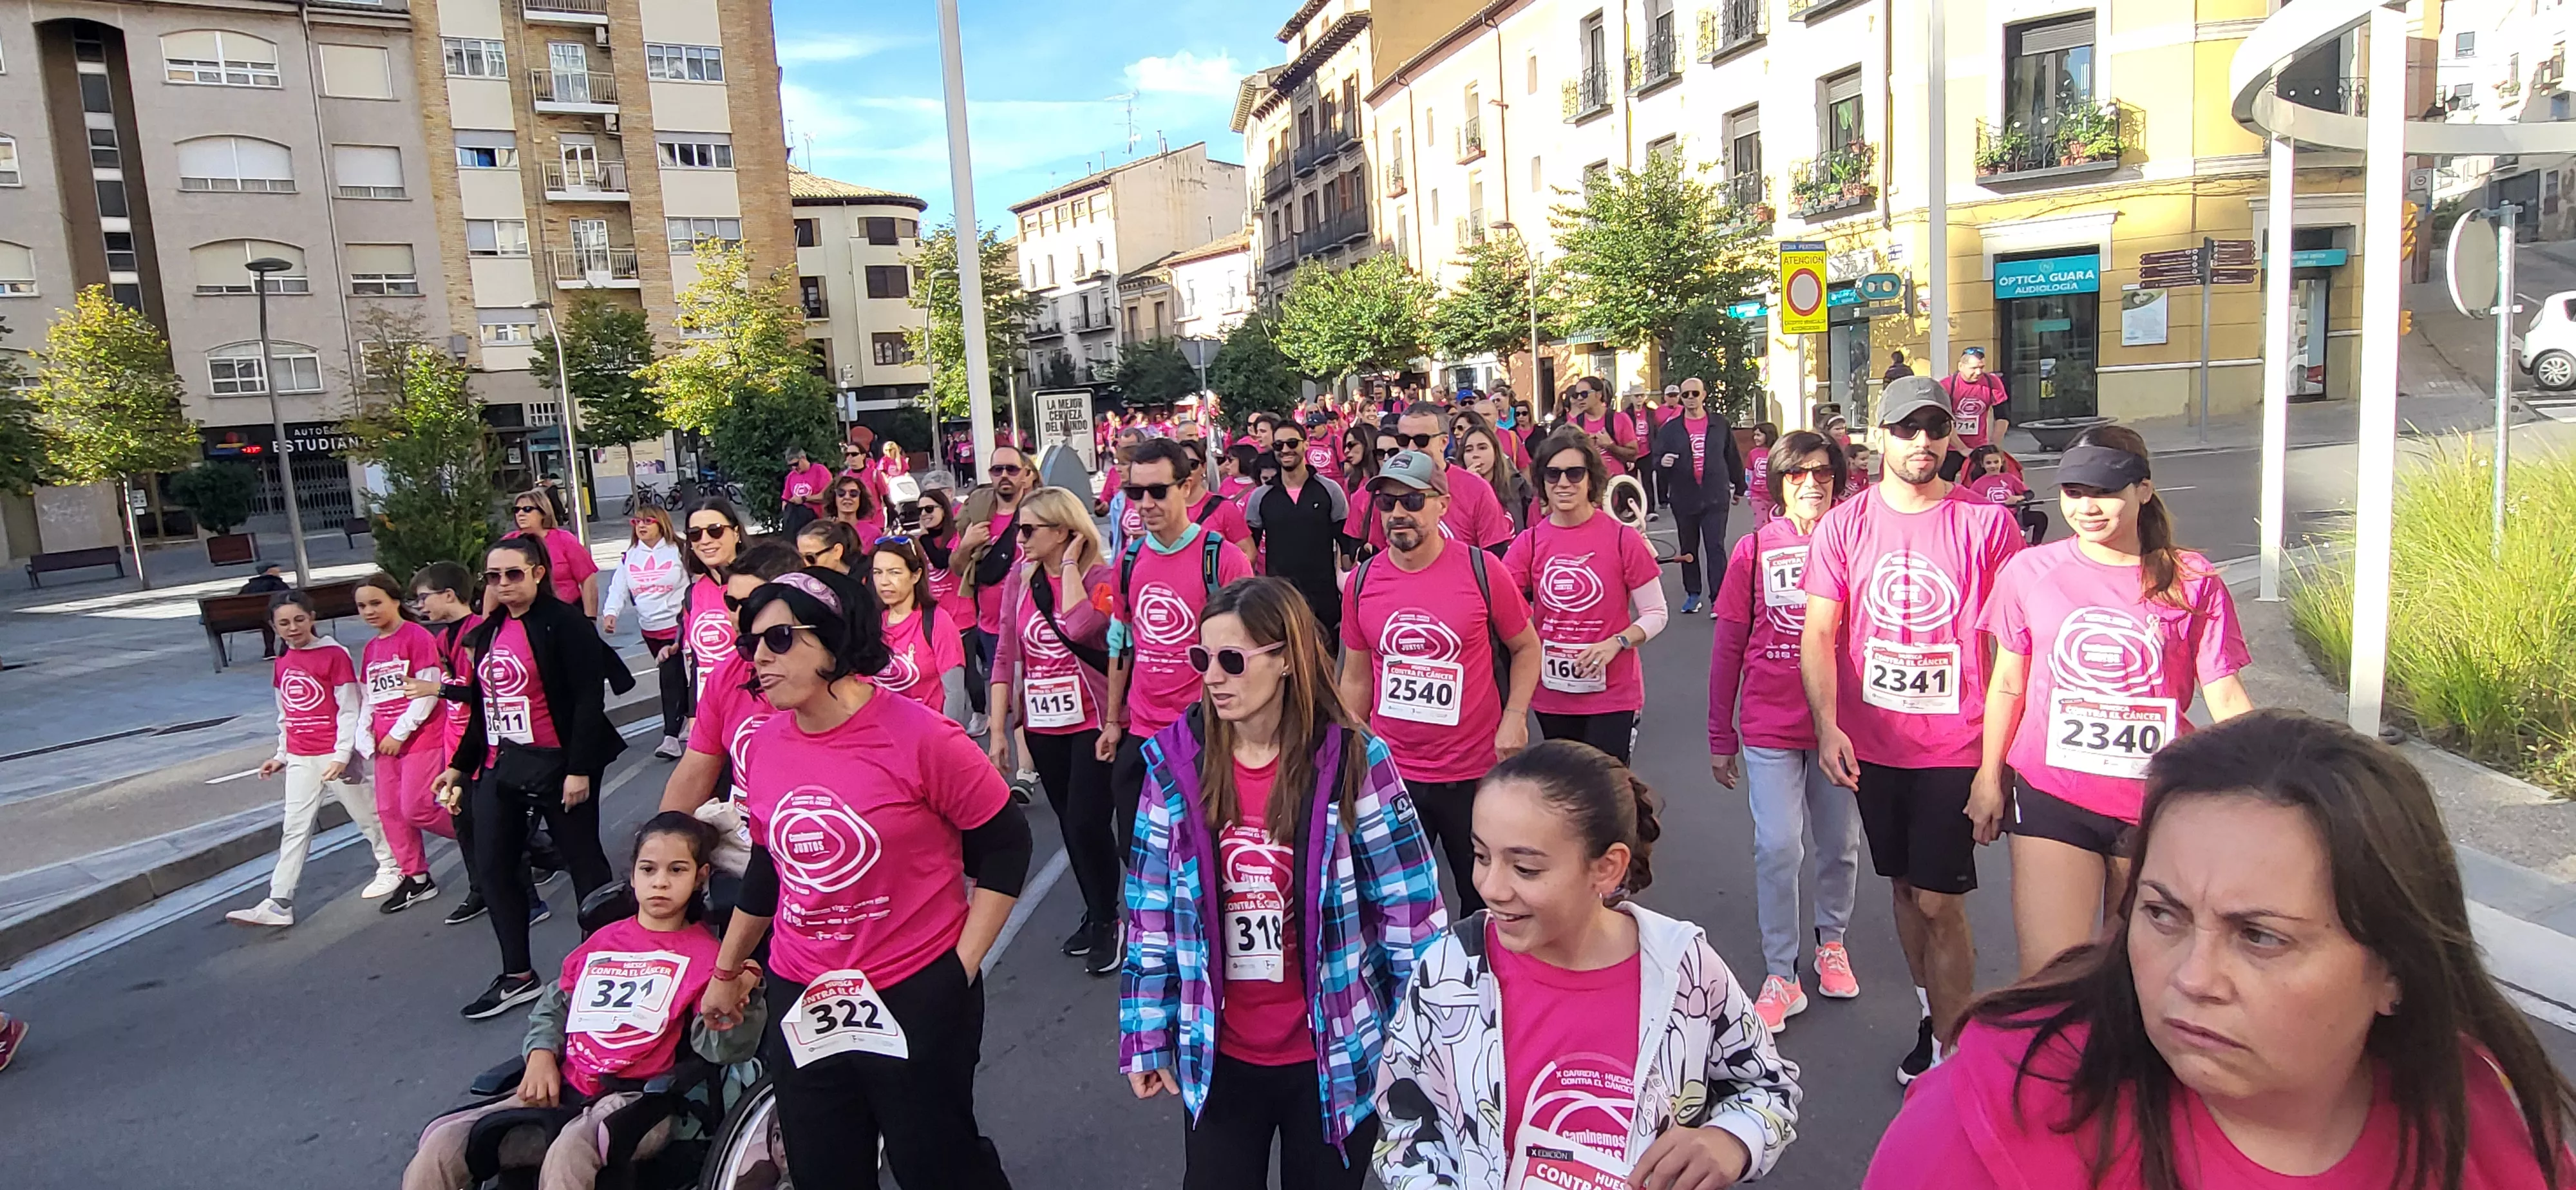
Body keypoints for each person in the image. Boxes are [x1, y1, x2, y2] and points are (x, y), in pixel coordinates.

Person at [1866, 710, 2576, 1190]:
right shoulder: (1995, 1111)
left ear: (2394, 966)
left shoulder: (2485, 1122)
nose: (2194, 979)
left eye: (2260, 937)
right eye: (2162, 914)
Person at [695, 567, 1032, 1190]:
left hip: (914, 987)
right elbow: (772, 867)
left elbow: (1007, 846)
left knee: (936, 1166)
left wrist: (955, 970)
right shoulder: (765, 745)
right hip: (805, 992)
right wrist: (726, 972)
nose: (758, 660)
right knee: (825, 1171)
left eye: (778, 640)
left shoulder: (923, 737)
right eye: (749, 646)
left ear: (833, 636)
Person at [1123, 576, 1446, 1189]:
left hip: (1335, 1056)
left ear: (1287, 662)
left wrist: (1424, 1048)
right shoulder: (1175, 763)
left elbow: (1411, 911)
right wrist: (1146, 1031)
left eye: (1232, 660)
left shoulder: (1357, 760)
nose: (1212, 677)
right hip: (1219, 1055)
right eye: (1203, 659)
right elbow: (1151, 911)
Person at [1373, 741, 1802, 1189]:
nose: (1492, 887)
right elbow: (1405, 1123)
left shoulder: (1684, 970)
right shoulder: (1449, 970)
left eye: (1525, 869)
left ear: (1607, 868)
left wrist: (1733, 1140)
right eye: (1481, 857)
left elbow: (1768, 1086)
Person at [1799, 375, 2026, 1085]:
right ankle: (1936, 1018)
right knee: (1901, 887)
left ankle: (1960, 1048)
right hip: (1875, 743)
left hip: (1955, 742)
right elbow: (1818, 633)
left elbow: (2013, 650)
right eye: (1906, 429)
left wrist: (1996, 763)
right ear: (1880, 436)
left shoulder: (1987, 525)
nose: (1921, 441)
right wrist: (1828, 725)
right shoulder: (1844, 525)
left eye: (1933, 428)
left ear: (1950, 435)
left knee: (1938, 897)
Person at [1976, 428, 2253, 978]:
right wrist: (1989, 778)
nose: (2087, 507)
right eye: (2074, 492)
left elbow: (2223, 693)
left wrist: (2273, 787)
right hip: (2052, 794)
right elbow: (2008, 681)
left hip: (2153, 805)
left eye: (2104, 491)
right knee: (2052, 975)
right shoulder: (2030, 572)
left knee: (2137, 977)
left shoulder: (2192, 580)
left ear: (2143, 490)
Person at [402, 813, 764, 1190]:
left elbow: (721, 1051)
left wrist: (741, 1000)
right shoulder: (603, 942)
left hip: (639, 1101)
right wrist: (540, 1054)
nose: (660, 882)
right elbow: (555, 1005)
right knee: (442, 1144)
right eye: (649, 869)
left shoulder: (708, 958)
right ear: (634, 874)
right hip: (565, 1083)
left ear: (699, 877)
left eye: (676, 870)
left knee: (568, 1156)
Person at [1709, 430, 1866, 1032]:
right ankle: (1781, 971)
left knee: (1840, 845)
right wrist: (1720, 737)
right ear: (1778, 483)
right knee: (1778, 846)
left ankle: (1833, 941)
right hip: (1770, 725)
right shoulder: (1754, 551)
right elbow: (1727, 647)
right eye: (1797, 475)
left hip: (1841, 728)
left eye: (1822, 473)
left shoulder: (1857, 543)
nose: (1810, 485)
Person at [1338, 451, 1540, 916]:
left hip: (1473, 772)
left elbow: (1527, 648)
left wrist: (1514, 719)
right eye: (1388, 504)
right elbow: (1356, 676)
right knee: (1395, 901)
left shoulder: (1481, 570)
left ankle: (1484, 982)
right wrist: (1349, 745)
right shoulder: (1362, 582)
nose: (1398, 514)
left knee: (1485, 899)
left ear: (1442, 505)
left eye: (1412, 500)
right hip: (1393, 773)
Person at [435, 534, 627, 1020]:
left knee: (584, 861)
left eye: (513, 575)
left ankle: (604, 959)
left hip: (560, 763)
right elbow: (486, 706)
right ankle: (517, 973)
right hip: (502, 763)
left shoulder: (562, 625)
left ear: (539, 573)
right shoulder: (491, 631)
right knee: (495, 864)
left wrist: (579, 769)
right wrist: (459, 766)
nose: (503, 585)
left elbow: (588, 700)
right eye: (494, 577)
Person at [1101, 438, 1258, 853]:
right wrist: (1113, 720)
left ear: (1186, 488)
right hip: (1143, 728)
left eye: (1158, 491)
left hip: (1206, 728)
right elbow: (1122, 641)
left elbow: (1250, 651)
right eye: (1135, 493)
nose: (1145, 503)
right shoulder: (1129, 560)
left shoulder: (1222, 559)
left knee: (1203, 851)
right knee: (1136, 851)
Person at [987, 487, 1121, 973]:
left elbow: (1085, 628)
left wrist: (1067, 569)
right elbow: (1005, 655)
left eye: (1028, 530)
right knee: (1069, 823)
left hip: (1093, 719)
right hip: (1043, 722)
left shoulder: (1102, 578)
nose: (1018, 539)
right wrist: (1000, 730)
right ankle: (1096, 909)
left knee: (1088, 820)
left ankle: (1109, 918)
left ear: (1064, 531)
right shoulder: (1018, 583)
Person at [225, 592, 402, 928]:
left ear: (312, 619)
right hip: (300, 757)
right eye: (284, 623)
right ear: (273, 627)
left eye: (299, 620)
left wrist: (341, 755)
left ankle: (393, 866)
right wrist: (281, 755)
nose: (293, 629)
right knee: (294, 827)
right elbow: (285, 714)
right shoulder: (282, 663)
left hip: (334, 754)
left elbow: (350, 707)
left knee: (367, 816)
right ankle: (279, 901)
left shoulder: (334, 655)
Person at [653, 542, 802, 916]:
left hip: (816, 851)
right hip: (745, 850)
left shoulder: (835, 676)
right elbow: (695, 770)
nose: (736, 616)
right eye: (731, 603)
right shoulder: (727, 675)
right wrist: (661, 849)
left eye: (749, 603)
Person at [1504, 430, 1665, 764]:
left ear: (1591, 480)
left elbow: (1656, 613)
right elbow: (1502, 609)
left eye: (1574, 473)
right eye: (1553, 473)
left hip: (1613, 694)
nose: (1564, 483)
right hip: (1552, 692)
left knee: (1609, 791)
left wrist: (1616, 643)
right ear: (1542, 482)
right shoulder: (1529, 543)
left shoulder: (1622, 539)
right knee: (1566, 796)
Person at [355, 572, 450, 913]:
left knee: (419, 807)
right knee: (390, 812)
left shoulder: (416, 637)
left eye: (376, 603)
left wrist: (400, 731)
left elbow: (428, 690)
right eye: (362, 606)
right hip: (385, 744)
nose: (369, 611)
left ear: (396, 601)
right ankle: (417, 878)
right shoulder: (371, 648)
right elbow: (369, 695)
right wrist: (364, 732)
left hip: (420, 738)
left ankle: (485, 839)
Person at [1349, 404, 1513, 555]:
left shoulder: (1476, 488)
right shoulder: (1387, 487)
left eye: (1422, 440)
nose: (1412, 448)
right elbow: (1381, 551)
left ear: (1444, 442)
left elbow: (1494, 556)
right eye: (1404, 441)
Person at [1652, 377, 1749, 616]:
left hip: (1715, 495)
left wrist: (1739, 487)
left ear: (1704, 395)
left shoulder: (1719, 424)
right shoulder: (1671, 429)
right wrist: (1662, 466)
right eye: (1686, 395)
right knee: (1688, 548)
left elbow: (1732, 456)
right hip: (1684, 497)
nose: (1691, 399)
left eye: (1695, 394)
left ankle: (1719, 597)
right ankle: (1693, 594)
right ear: (1681, 399)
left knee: (1715, 546)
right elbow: (1657, 459)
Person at [1245, 420, 1351, 633]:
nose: (1285, 450)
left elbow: (1346, 543)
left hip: (1324, 599)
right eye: (1279, 445)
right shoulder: (1261, 497)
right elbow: (1249, 551)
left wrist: (1348, 593)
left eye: (1292, 443)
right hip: (1280, 599)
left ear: (1306, 445)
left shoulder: (1330, 490)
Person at [955, 445, 1032, 733]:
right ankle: (1012, 756)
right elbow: (957, 567)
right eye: (997, 470)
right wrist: (966, 545)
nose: (1004, 476)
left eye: (1011, 469)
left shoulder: (1038, 510)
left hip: (1032, 624)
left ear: (1025, 475)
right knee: (1007, 700)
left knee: (1027, 696)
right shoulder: (978, 514)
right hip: (990, 627)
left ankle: (1031, 764)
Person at [602, 507, 690, 759]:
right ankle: (684, 718)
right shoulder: (630, 556)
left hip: (678, 624)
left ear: (661, 524)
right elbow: (618, 587)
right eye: (636, 521)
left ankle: (670, 737)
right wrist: (611, 613)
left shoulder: (678, 550)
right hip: (650, 628)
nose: (641, 526)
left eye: (648, 521)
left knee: (670, 676)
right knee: (676, 678)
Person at [871, 536, 966, 717]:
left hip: (928, 734)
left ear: (916, 575)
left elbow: (954, 694)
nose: (884, 581)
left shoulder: (937, 621)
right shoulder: (872, 622)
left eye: (894, 572)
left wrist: (946, 741)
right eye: (877, 572)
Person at [679, 497, 749, 705]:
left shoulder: (760, 581)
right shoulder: (693, 594)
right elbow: (696, 663)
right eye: (695, 534)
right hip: (713, 706)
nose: (705, 540)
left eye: (715, 530)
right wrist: (694, 716)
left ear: (736, 533)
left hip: (757, 705)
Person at [512, 490, 602, 617]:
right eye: (516, 510)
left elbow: (588, 579)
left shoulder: (564, 539)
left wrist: (590, 617)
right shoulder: (509, 543)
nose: (521, 514)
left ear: (543, 512)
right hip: (523, 615)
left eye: (527, 509)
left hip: (565, 612)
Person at [1935, 347, 2011, 482]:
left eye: (1982, 367)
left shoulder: (1991, 382)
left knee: (1984, 484)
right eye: (1974, 368)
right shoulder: (1947, 386)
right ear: (1961, 366)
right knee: (1944, 483)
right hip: (1951, 445)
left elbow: (2002, 417)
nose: (1979, 372)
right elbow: (1943, 421)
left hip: (1979, 446)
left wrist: (1994, 445)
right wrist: (1962, 448)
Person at [1455, 416, 1533, 533]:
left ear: (1495, 451)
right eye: (1469, 450)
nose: (1475, 455)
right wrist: (1469, 488)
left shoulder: (1517, 485)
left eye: (1482, 448)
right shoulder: (1455, 492)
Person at [1960, 445, 2045, 545]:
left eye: (1996, 462)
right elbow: (1970, 504)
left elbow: (2029, 494)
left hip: (2015, 517)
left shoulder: (2010, 478)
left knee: (2041, 517)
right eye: (1989, 463)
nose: (1993, 466)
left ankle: (2036, 545)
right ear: (1982, 465)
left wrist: (2018, 498)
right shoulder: (1978, 484)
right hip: (1993, 519)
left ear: (2002, 462)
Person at [1567, 377, 1640, 478]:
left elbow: (1633, 455)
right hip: (1587, 485)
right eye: (1576, 395)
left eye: (1584, 394)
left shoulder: (1619, 419)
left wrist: (1610, 446)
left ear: (1599, 395)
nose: (1579, 399)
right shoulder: (1573, 424)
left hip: (1615, 485)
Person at [238, 562, 292, 658]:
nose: (279, 570)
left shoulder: (248, 587)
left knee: (266, 620)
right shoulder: (278, 584)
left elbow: (238, 602)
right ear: (269, 571)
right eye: (276, 568)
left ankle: (269, 651)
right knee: (277, 618)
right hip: (274, 617)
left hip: (250, 619)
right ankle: (285, 649)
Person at [779, 445, 833, 533]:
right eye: (790, 466)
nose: (794, 468)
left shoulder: (820, 470)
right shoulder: (791, 476)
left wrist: (804, 499)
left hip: (815, 518)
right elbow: (785, 499)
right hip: (795, 519)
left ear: (803, 458)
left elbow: (827, 496)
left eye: (796, 464)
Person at [827, 473, 886, 544]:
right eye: (841, 493)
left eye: (854, 493)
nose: (847, 497)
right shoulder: (825, 532)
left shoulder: (873, 533)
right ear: (834, 498)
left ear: (861, 499)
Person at [794, 517, 862, 574]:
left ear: (837, 551)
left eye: (810, 558)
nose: (805, 565)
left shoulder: (863, 583)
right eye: (800, 558)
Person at [1744, 422, 1779, 529]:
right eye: (1755, 435)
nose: (1755, 438)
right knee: (1761, 523)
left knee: (1775, 523)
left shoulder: (1777, 453)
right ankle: (1760, 543)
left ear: (1768, 435)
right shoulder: (1753, 453)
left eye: (1759, 435)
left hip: (1775, 496)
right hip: (1758, 495)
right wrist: (1748, 492)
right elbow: (1749, 473)